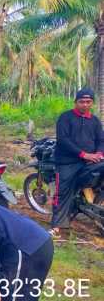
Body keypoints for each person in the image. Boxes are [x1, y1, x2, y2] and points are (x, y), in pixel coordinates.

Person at [50, 88, 104, 237]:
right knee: (63, 192)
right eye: (82, 101)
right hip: (68, 162)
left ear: (92, 103)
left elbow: (101, 140)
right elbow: (63, 140)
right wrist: (84, 154)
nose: (85, 104)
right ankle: (57, 226)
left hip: (91, 161)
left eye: (88, 102)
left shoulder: (94, 121)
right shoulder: (65, 118)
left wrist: (99, 153)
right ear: (76, 102)